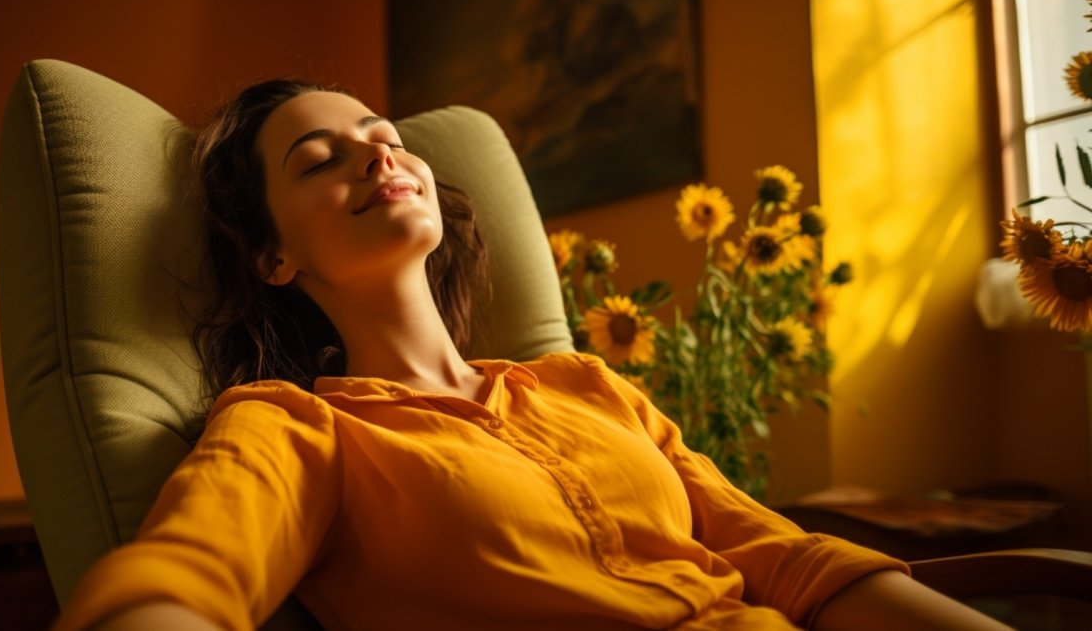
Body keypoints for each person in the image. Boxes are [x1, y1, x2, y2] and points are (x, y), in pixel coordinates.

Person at [53, 80, 1009, 631]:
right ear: (273, 254)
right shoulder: (294, 424)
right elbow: (185, 577)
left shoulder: (588, 384)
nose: (374, 156)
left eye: (381, 139)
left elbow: (785, 556)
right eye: (319, 158)